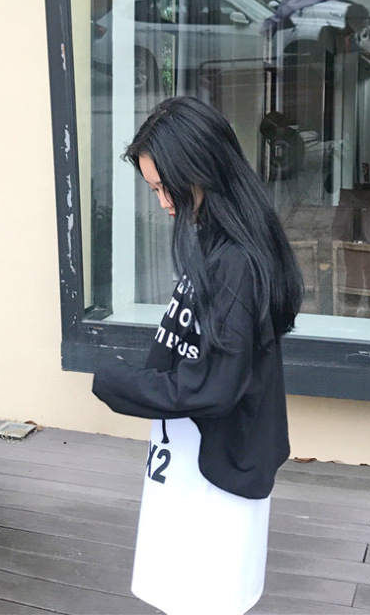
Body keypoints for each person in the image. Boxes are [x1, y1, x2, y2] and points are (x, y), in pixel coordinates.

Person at [92, 96, 304, 615]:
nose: (163, 201)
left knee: (204, 595)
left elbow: (213, 385)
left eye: (165, 186)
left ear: (201, 168)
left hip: (216, 462)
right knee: (185, 590)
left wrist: (114, 380)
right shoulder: (213, 241)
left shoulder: (236, 260)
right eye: (153, 189)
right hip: (189, 446)